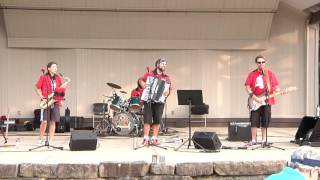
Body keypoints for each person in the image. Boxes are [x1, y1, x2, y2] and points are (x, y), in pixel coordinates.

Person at [244, 55, 280, 146]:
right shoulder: (252, 74)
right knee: (254, 121)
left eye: (263, 62)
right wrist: (255, 98)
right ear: (256, 63)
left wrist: (277, 89)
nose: (261, 64)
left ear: (265, 63)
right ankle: (253, 140)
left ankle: (264, 140)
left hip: (267, 101)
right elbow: (247, 87)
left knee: (265, 120)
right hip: (255, 100)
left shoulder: (270, 74)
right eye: (259, 62)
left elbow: (275, 85)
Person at [139, 58, 172, 146]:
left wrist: (166, 93)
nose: (164, 65)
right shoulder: (149, 74)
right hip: (148, 100)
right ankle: (145, 139)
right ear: (157, 65)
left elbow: (169, 89)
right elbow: (141, 80)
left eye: (165, 64)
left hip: (160, 102)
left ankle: (154, 139)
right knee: (147, 120)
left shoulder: (166, 78)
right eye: (162, 63)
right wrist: (142, 83)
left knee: (157, 120)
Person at [35, 62, 67, 145]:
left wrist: (61, 100)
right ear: (49, 68)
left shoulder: (58, 78)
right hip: (46, 101)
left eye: (56, 67)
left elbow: (61, 90)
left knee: (53, 121)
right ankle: (40, 139)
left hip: (56, 101)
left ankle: (50, 140)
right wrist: (42, 97)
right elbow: (37, 88)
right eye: (53, 67)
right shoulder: (43, 77)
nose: (55, 68)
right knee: (44, 121)